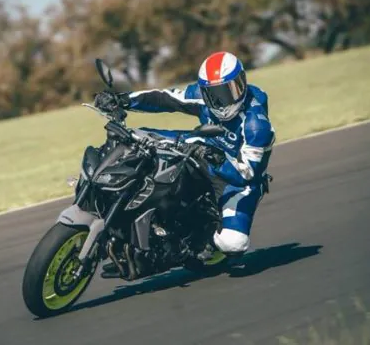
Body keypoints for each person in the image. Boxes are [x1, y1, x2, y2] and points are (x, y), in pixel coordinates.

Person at [94, 51, 275, 269]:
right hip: (201, 144)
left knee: (233, 243)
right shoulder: (200, 96)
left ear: (242, 83)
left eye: (230, 90)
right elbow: (164, 98)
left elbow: (248, 174)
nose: (222, 100)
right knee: (135, 137)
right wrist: (124, 100)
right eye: (213, 94)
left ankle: (201, 245)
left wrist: (217, 160)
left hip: (235, 177)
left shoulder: (257, 125)